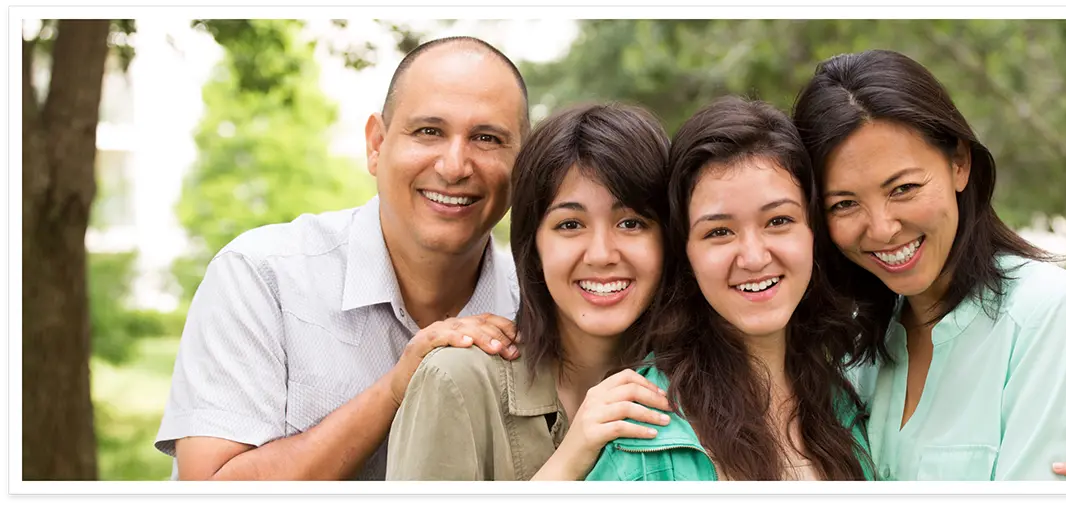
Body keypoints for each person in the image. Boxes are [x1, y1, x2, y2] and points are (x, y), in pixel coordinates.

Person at [154, 36, 530, 481]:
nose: (454, 166)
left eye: (486, 138)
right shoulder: (261, 276)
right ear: (376, 144)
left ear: (524, 164)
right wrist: (394, 389)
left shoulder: (539, 305)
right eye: (429, 131)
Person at [791, 49, 1066, 481]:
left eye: (904, 188)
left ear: (959, 164)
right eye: (844, 204)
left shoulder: (1045, 313)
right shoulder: (853, 356)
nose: (881, 229)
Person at [585, 96, 874, 481]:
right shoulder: (644, 427)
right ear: (685, 253)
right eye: (719, 232)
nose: (753, 258)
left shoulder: (850, 393)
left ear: (813, 232)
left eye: (778, 220)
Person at [385, 103, 676, 481]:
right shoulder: (455, 380)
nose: (602, 254)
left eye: (631, 223)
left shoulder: (700, 385)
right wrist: (568, 460)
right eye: (570, 224)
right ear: (533, 246)